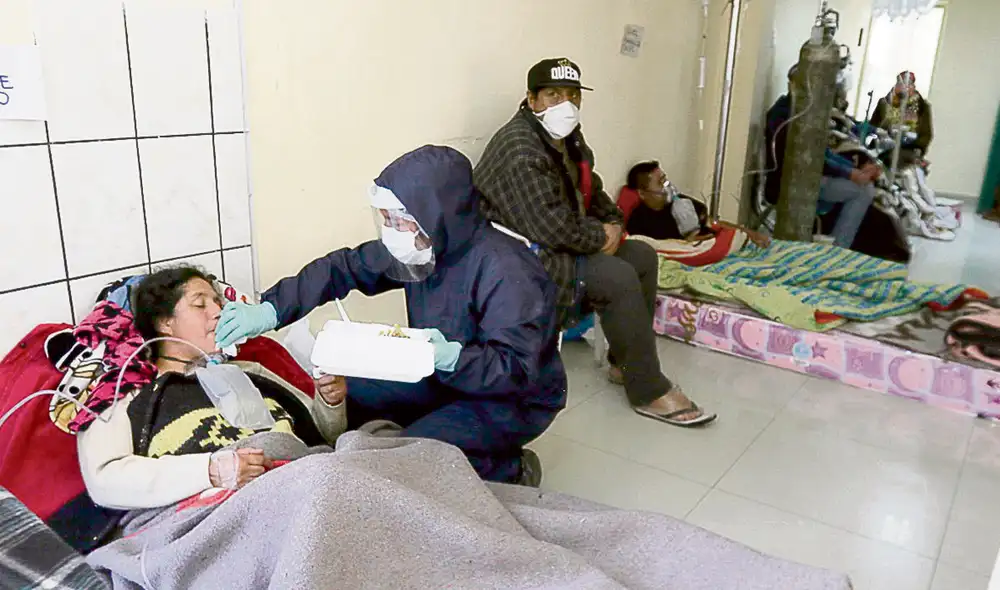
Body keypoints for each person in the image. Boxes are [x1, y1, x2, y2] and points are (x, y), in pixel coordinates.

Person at [214, 145, 565, 485]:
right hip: (444, 371)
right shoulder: (426, 246)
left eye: (397, 220)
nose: (389, 232)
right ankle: (439, 433)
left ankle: (509, 467)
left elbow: (518, 370)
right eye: (384, 219)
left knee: (412, 454)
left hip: (512, 397)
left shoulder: (507, 269)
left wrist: (452, 357)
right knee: (353, 395)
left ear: (436, 213)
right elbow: (342, 268)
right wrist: (271, 308)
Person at [474, 58, 715, 428]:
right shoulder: (520, 148)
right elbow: (550, 227)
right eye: (553, 95)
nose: (565, 105)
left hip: (559, 240)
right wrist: (601, 236)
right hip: (522, 256)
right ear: (531, 99)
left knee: (642, 256)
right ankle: (649, 390)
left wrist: (615, 224)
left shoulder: (567, 137)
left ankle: (626, 364)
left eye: (573, 95)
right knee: (616, 276)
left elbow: (594, 191)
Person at [78, 266, 348, 510]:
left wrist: (330, 402)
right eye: (200, 304)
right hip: (237, 509)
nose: (218, 311)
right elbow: (105, 479)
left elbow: (325, 436)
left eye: (218, 302)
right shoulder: (125, 390)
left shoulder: (250, 372)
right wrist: (210, 470)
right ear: (165, 323)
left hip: (310, 478)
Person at [765, 64, 879, 249]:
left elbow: (821, 153)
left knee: (864, 185)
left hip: (807, 176)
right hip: (792, 183)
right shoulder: (784, 116)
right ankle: (837, 251)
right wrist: (850, 174)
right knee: (863, 192)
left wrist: (854, 170)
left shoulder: (803, 111)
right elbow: (808, 160)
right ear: (794, 84)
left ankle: (835, 246)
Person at [624, 160, 771, 247]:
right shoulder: (640, 222)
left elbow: (712, 223)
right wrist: (700, 241)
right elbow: (671, 247)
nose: (667, 186)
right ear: (642, 193)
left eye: (665, 179)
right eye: (660, 183)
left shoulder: (681, 203)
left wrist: (749, 233)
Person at [870, 71, 933, 162]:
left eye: (909, 84)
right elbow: (873, 125)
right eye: (900, 84)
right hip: (882, 146)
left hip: (908, 150)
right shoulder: (884, 103)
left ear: (913, 87)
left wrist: (915, 146)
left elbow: (926, 134)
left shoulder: (923, 107)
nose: (905, 88)